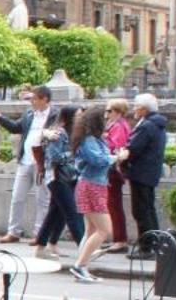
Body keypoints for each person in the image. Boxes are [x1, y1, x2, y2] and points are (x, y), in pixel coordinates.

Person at [0, 84, 52, 242]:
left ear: (45, 100)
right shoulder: (29, 114)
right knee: (17, 197)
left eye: (35, 99)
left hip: (42, 163)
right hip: (25, 160)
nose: (32, 102)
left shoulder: (54, 115)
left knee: (42, 199)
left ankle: (39, 234)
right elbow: (16, 128)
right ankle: (13, 231)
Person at [65, 106, 116, 284]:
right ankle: (80, 265)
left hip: (93, 185)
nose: (108, 119)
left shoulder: (92, 139)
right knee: (104, 230)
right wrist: (117, 158)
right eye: (105, 117)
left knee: (92, 230)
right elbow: (99, 161)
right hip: (92, 186)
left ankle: (82, 266)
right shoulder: (89, 141)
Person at [122, 92, 169, 255]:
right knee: (148, 209)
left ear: (143, 109)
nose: (134, 110)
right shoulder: (156, 124)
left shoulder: (147, 125)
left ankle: (147, 247)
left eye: (136, 107)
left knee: (141, 211)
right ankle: (155, 244)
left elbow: (133, 148)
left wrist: (122, 157)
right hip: (150, 172)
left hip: (141, 173)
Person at [34, 105, 83, 259]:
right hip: (58, 177)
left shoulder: (74, 133)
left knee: (56, 213)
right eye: (78, 115)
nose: (80, 118)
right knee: (71, 212)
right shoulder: (59, 133)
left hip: (69, 176)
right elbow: (54, 157)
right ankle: (84, 247)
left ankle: (42, 246)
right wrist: (73, 155)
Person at [102, 98, 132, 254]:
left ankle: (120, 240)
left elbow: (115, 147)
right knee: (111, 204)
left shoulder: (119, 126)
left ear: (118, 112)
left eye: (109, 111)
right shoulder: (114, 125)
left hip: (114, 170)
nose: (106, 114)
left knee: (114, 205)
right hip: (112, 169)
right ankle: (117, 238)